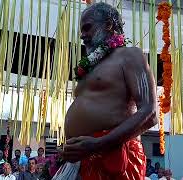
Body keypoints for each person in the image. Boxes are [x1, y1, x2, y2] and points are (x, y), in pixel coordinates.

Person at [59, 2, 157, 180]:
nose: (83, 35)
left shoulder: (129, 55)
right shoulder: (89, 66)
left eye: (87, 28)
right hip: (80, 159)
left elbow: (150, 113)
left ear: (108, 25)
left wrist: (99, 144)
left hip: (113, 155)